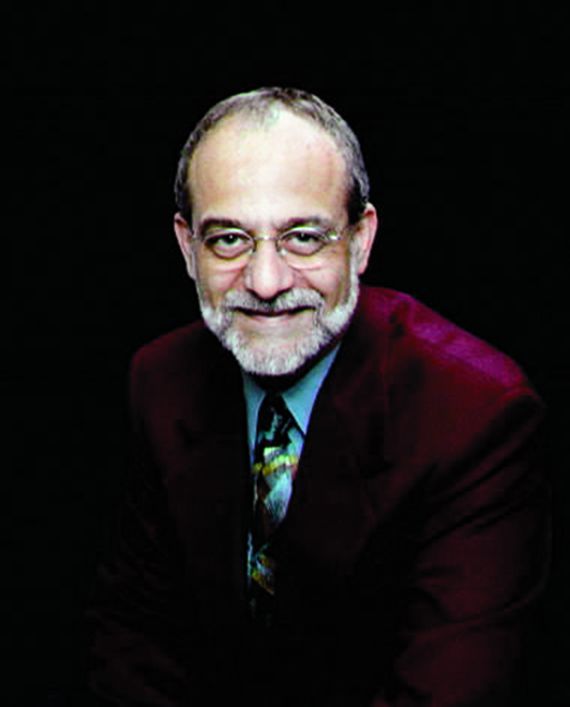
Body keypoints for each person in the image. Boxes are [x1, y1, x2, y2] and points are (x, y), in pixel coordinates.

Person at [87, 87, 549, 706]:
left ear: (360, 241)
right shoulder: (159, 381)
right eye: (229, 239)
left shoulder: (476, 414)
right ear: (187, 248)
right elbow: (133, 645)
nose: (266, 282)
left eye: (303, 237)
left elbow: (449, 692)